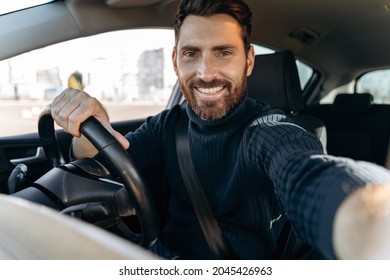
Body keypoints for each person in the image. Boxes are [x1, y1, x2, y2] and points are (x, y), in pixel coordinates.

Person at [51, 0, 390, 260]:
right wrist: (88, 126)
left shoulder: (270, 132)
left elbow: (311, 174)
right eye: (191, 54)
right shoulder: (167, 125)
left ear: (249, 61)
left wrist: (372, 224)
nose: (205, 72)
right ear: (175, 61)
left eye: (224, 53)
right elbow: (101, 162)